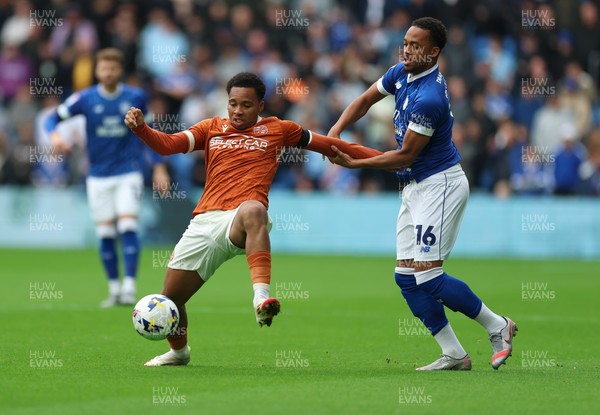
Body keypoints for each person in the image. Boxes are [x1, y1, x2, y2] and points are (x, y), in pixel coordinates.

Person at [124, 72, 382, 366]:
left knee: (253, 209)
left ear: (260, 105)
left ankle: (260, 298)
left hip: (242, 220)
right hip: (205, 221)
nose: (237, 110)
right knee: (170, 301)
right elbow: (168, 145)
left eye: (245, 105)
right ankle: (179, 353)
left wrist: (391, 159)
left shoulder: (279, 129)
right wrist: (142, 129)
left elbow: (331, 146)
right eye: (232, 103)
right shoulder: (211, 127)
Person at [328, 17, 517, 371]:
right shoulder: (401, 71)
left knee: (428, 274)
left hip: (440, 184)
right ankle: (454, 354)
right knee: (406, 277)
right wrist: (335, 132)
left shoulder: (429, 97)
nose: (407, 50)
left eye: (416, 46)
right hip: (414, 187)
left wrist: (354, 164)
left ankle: (498, 325)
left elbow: (405, 156)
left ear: (434, 52)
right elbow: (366, 99)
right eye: (405, 42)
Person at [45, 47, 170, 307]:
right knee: (105, 233)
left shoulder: (136, 97)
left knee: (127, 226)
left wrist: (159, 167)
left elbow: (151, 131)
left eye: (113, 68)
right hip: (97, 176)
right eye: (104, 68)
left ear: (120, 70)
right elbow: (52, 119)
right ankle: (114, 289)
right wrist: (55, 137)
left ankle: (129, 288)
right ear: (97, 71)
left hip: (129, 173)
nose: (108, 72)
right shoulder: (85, 99)